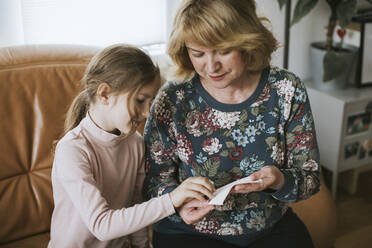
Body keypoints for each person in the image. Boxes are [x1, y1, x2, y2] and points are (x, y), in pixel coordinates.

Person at [143, 0, 321, 247]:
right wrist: (177, 205)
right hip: (188, 231)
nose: (211, 66)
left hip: (269, 228)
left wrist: (280, 180)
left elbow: (310, 178)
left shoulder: (286, 90)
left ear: (247, 41)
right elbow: (153, 179)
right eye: (198, 53)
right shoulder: (173, 98)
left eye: (223, 51)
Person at [48, 44, 215, 248]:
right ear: (105, 94)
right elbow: (102, 225)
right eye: (139, 100)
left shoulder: (135, 143)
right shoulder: (73, 150)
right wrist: (172, 200)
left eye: (150, 102)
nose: (146, 113)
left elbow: (135, 207)